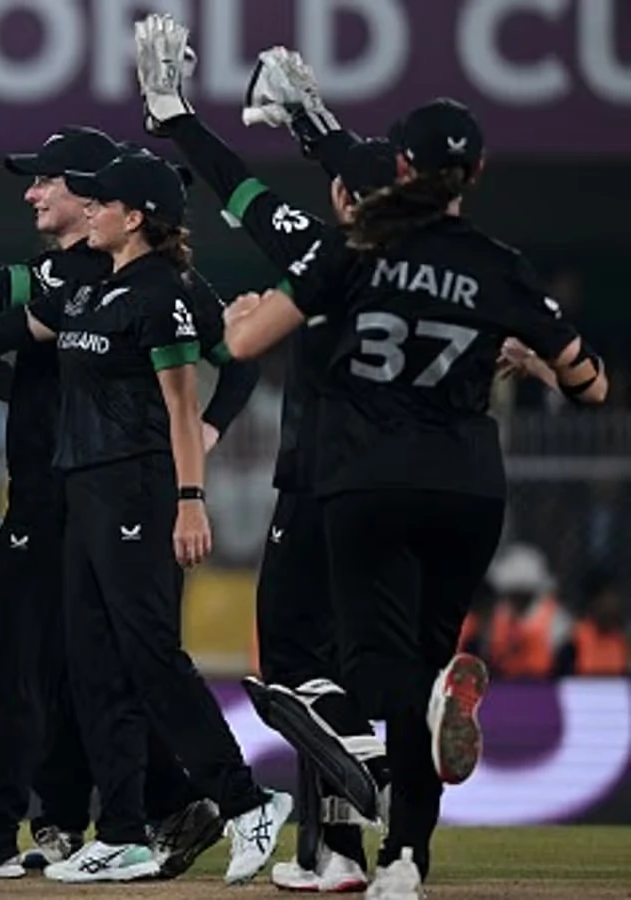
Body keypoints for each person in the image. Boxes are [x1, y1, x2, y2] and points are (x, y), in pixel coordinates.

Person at [0, 149, 292, 886]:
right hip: (82, 488)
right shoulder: (83, 290)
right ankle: (123, 832)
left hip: (133, 490)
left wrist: (192, 491)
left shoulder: (161, 292)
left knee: (143, 659)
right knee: (96, 669)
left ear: (132, 216)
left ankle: (244, 800)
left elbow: (189, 394)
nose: (80, 207)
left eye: (96, 200)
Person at [218, 95, 607, 898]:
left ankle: (418, 730)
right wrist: (532, 361)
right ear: (477, 172)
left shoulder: (356, 247)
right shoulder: (498, 264)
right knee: (428, 658)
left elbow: (248, 342)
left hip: (371, 479)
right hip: (470, 487)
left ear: (400, 166)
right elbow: (589, 384)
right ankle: (403, 862)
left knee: (374, 666)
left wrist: (239, 319)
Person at [134, 19, 397, 891]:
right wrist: (318, 129)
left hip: (321, 481)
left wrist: (175, 117)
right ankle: (339, 855)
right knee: (341, 676)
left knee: (293, 671)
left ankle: (376, 772)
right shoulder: (444, 264)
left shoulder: (325, 253)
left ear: (344, 201)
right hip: (409, 486)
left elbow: (238, 187)